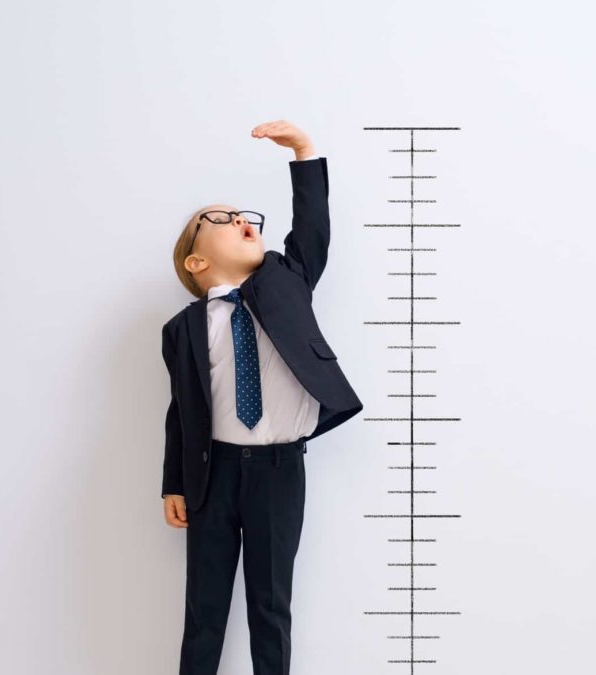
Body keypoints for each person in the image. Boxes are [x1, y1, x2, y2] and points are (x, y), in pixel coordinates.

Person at [159, 119, 364, 675]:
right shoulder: (182, 328)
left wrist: (303, 152)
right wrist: (174, 483)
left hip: (279, 470)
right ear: (196, 263)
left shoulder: (286, 279)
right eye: (219, 220)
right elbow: (182, 411)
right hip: (212, 475)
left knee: (270, 606)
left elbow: (313, 228)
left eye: (245, 216)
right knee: (204, 609)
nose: (241, 220)